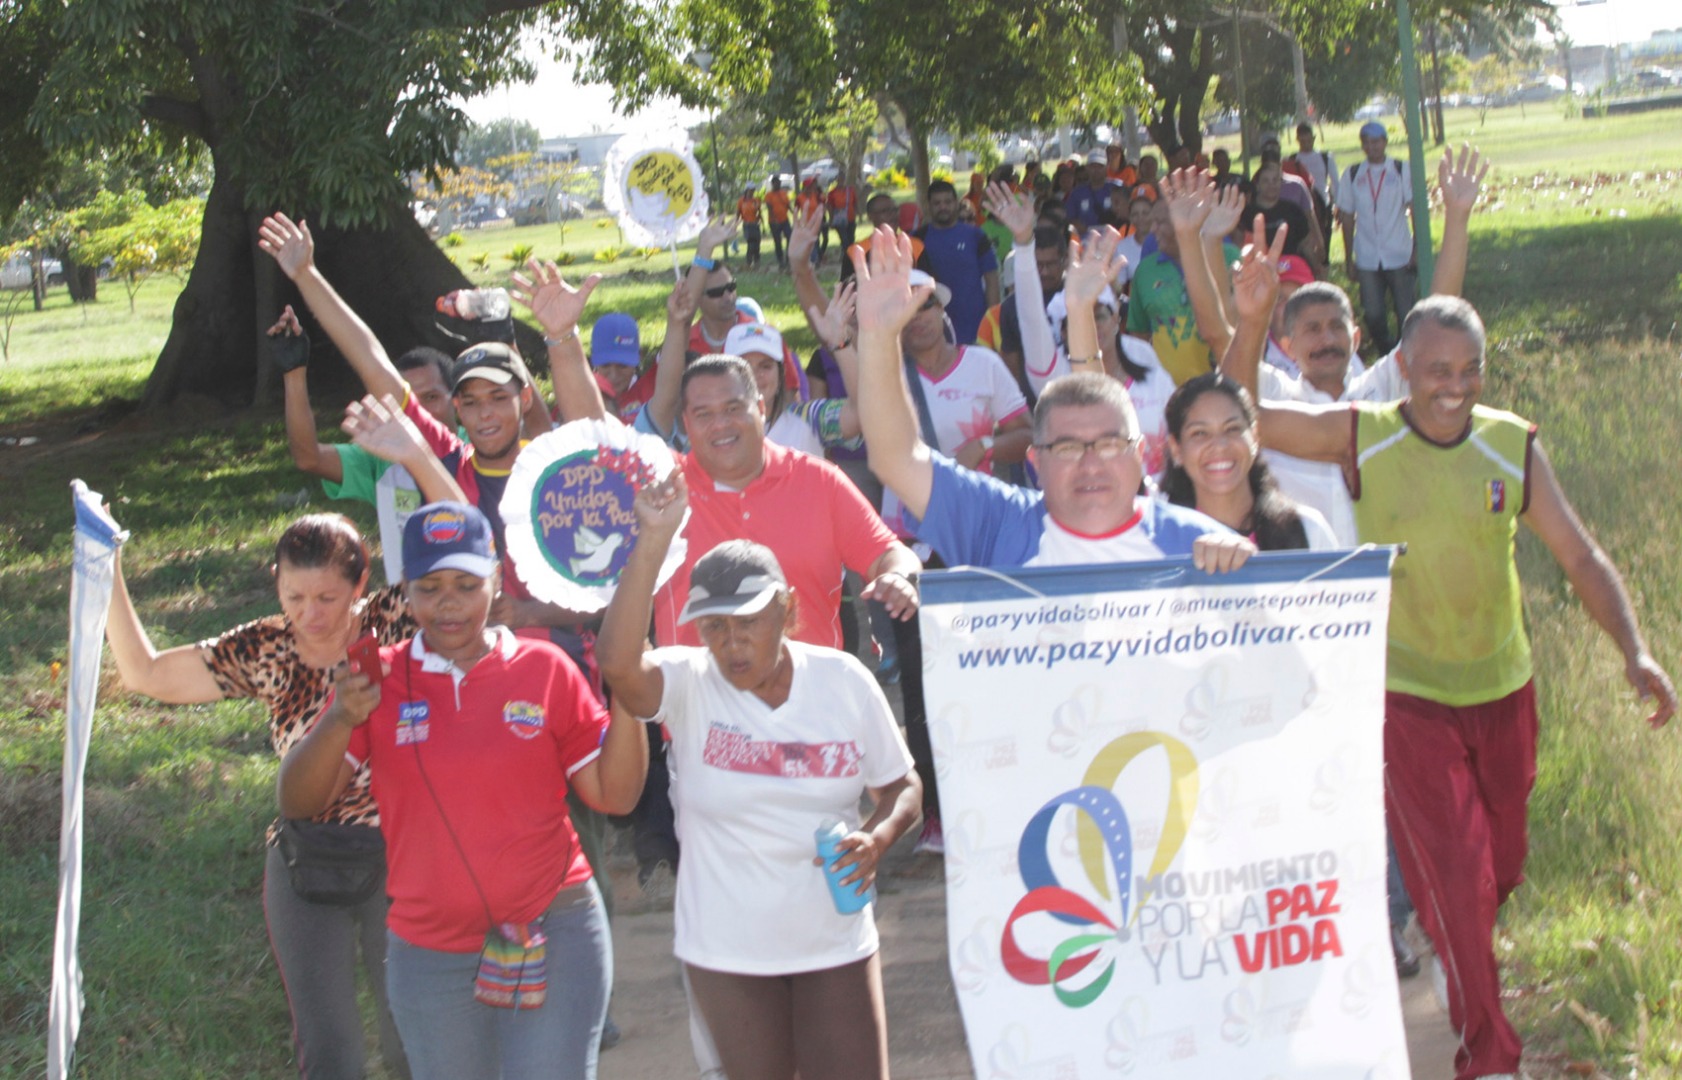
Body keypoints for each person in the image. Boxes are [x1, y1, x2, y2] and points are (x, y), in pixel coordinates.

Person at [1232, 264, 1677, 1079]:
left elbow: (1579, 554)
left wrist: (1634, 648)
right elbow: (1242, 417)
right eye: (1438, 370)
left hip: (1505, 689)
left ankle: (1436, 925)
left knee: (1498, 869)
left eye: (1470, 370)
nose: (1455, 387)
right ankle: (1490, 1055)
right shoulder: (1361, 434)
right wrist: (1252, 320)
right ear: (1403, 367)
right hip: (1409, 698)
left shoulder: (1509, 442)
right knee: (1462, 887)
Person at [277, 502, 649, 1080]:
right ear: (406, 591)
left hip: (554, 929)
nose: (448, 603)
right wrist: (340, 719)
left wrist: (629, 694)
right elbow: (297, 803)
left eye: (467, 585)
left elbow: (615, 795)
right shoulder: (377, 681)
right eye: (429, 588)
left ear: (496, 580)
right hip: (429, 954)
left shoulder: (545, 669)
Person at [598, 478, 920, 1080]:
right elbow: (618, 664)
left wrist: (877, 839)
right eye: (713, 627)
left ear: (788, 610)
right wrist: (652, 542)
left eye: (747, 621)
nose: (731, 643)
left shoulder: (843, 681)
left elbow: (903, 786)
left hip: (833, 938)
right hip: (727, 951)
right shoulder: (689, 683)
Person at [853, 223, 1255, 572]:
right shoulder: (998, 524)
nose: (1091, 464)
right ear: (1036, 461)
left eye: (1110, 445)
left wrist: (1239, 570)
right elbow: (895, 458)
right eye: (1067, 448)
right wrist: (877, 336)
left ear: (1139, 454)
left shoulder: (1195, 544)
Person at [277, 303, 458, 583]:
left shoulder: (478, 448)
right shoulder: (382, 459)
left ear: (456, 400)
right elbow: (308, 457)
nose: (418, 414)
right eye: (408, 404)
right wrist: (294, 373)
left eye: (431, 398)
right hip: (406, 602)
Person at [1157, 374, 1336, 550]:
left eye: (1232, 429)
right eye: (1200, 433)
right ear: (1176, 449)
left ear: (1255, 436)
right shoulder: (1158, 540)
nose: (1219, 445)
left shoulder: (1308, 530)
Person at [1336, 121, 1415, 355]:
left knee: (1406, 313)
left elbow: (1415, 209)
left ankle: (1405, 354)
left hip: (1399, 253)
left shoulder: (1400, 169)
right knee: (1372, 313)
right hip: (1368, 256)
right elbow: (1347, 217)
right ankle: (1386, 351)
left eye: (1376, 142)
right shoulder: (1353, 174)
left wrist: (1416, 249)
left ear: (1385, 142)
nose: (1372, 147)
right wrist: (1349, 257)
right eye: (1367, 143)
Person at [915, 179, 999, 345]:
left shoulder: (976, 235)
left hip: (975, 329)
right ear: (928, 206)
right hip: (934, 331)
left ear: (956, 203)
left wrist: (994, 322)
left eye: (948, 202)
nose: (943, 207)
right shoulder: (917, 239)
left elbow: (992, 279)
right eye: (937, 203)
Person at [1244, 159, 1323, 275]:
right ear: (1258, 185)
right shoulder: (1247, 214)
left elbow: (1305, 244)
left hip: (1290, 267)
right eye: (1266, 181)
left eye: (1275, 180)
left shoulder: (1293, 210)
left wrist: (1316, 268)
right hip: (1258, 270)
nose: (1271, 185)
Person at [1284, 121, 1337, 242]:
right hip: (1301, 206)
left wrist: (1336, 203)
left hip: (1323, 203)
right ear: (1298, 140)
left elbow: (1335, 182)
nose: (1306, 144)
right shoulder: (1292, 160)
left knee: (1325, 237)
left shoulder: (1326, 157)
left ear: (1313, 138)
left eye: (1309, 140)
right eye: (1303, 141)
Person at [765, 175, 793, 270]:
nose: (779, 185)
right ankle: (780, 260)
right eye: (777, 183)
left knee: (790, 237)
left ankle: (788, 258)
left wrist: (793, 213)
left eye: (780, 183)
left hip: (785, 220)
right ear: (773, 184)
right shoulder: (769, 195)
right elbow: (770, 209)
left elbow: (788, 205)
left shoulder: (783, 193)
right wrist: (774, 220)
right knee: (778, 241)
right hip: (774, 222)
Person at [737, 185, 763, 271]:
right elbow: (738, 213)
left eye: (753, 190)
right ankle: (749, 262)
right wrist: (736, 223)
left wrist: (761, 221)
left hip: (755, 224)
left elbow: (759, 212)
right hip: (747, 225)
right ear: (746, 190)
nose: (752, 192)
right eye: (750, 190)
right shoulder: (741, 201)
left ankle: (757, 262)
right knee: (751, 244)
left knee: (757, 243)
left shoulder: (756, 200)